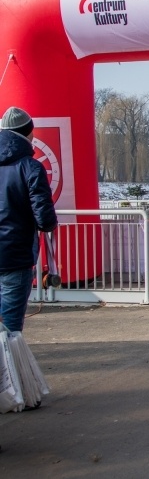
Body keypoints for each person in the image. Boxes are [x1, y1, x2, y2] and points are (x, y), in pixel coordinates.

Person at [0, 107, 58, 334]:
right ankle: (10, 369)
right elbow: (45, 219)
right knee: (12, 326)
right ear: (28, 134)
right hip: (16, 255)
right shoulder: (31, 167)